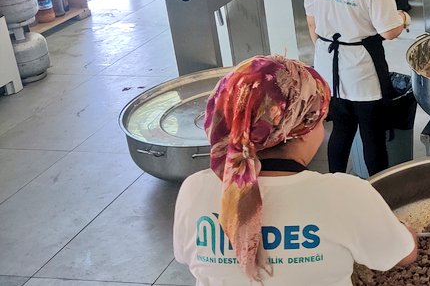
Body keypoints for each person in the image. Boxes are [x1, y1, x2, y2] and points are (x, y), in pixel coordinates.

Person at [173, 55, 417, 285]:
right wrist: (405, 231)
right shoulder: (345, 194)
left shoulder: (194, 190)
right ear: (302, 131)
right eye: (322, 122)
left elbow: (185, 257)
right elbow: (403, 255)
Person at [304, 0, 411, 176]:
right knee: (373, 136)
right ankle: (380, 192)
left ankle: (333, 184)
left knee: (340, 130)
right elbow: (389, 31)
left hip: (327, 69)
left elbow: (312, 23)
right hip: (363, 71)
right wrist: (404, 17)